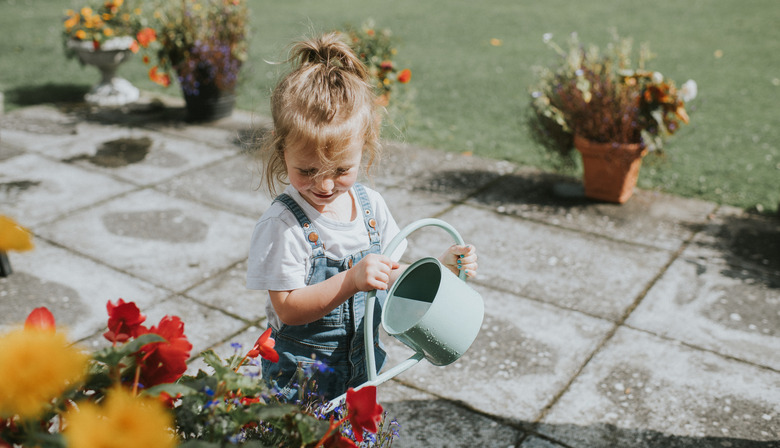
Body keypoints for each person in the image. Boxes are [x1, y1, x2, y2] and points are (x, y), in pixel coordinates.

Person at [246, 32, 478, 401]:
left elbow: (389, 274)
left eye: (340, 170)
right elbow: (287, 308)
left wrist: (442, 271)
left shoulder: (370, 207)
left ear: (364, 146)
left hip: (362, 370)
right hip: (301, 382)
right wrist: (352, 279)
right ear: (281, 147)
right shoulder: (283, 224)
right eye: (307, 170)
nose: (324, 184)